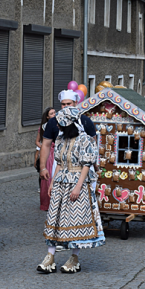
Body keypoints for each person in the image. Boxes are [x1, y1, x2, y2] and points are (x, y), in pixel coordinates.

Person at [37, 106, 103, 275]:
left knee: (75, 220)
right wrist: (52, 182)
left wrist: (79, 186)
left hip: (76, 181)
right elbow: (59, 162)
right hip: (61, 182)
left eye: (60, 125)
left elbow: (86, 165)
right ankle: (49, 257)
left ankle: (74, 258)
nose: (57, 127)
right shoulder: (61, 139)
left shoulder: (85, 140)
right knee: (55, 217)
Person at [38, 90, 97, 184]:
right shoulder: (53, 122)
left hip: (82, 166)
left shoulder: (85, 121)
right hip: (60, 164)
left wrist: (95, 164)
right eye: (63, 104)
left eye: (68, 103)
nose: (65, 106)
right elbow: (46, 145)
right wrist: (42, 167)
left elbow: (93, 146)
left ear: (75, 103)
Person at [36, 107, 56, 211]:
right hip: (49, 154)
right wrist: (44, 147)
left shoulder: (59, 124)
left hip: (56, 152)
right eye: (52, 113)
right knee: (48, 176)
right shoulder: (44, 127)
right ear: (47, 116)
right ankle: (46, 202)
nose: (54, 114)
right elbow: (38, 141)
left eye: (54, 112)